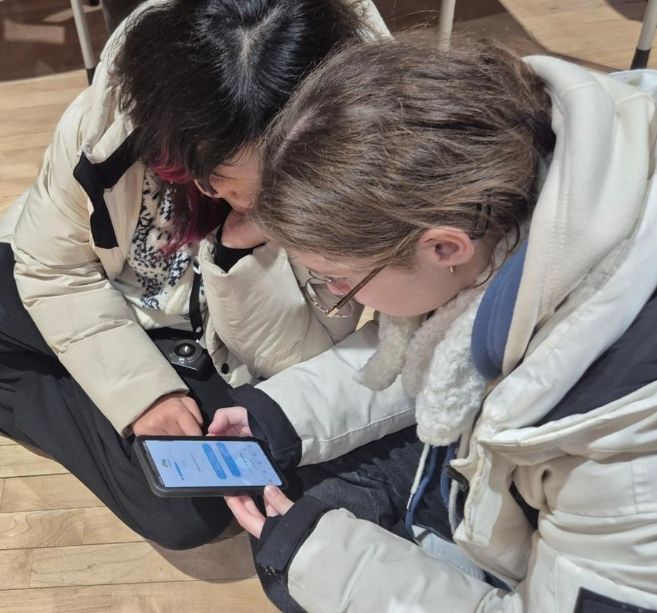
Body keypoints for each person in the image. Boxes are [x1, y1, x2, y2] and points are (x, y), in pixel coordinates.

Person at [209, 40, 657, 611]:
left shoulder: (641, 453)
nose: (339, 295)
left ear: (444, 247)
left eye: (339, 280)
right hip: (514, 496)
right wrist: (284, 413)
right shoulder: (543, 150)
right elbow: (441, 335)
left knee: (291, 564)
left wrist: (327, 565)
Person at [0, 0, 387, 549]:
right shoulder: (114, 112)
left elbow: (304, 358)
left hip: (204, 338)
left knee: (189, 513)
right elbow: (52, 266)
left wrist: (236, 257)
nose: (207, 190)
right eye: (198, 167)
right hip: (85, 281)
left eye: (228, 178)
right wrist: (142, 396)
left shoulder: (356, 170)